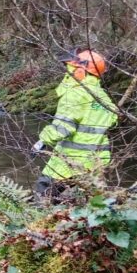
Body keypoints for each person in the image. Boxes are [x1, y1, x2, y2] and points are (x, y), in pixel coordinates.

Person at [32, 49, 118, 199]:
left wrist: (41, 142)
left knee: (43, 194)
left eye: (72, 70)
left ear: (80, 71)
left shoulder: (75, 94)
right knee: (89, 199)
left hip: (69, 160)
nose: (69, 73)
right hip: (96, 161)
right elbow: (113, 121)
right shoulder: (103, 97)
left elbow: (62, 128)